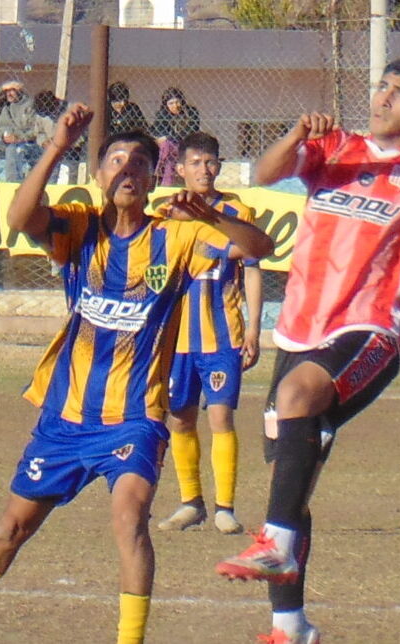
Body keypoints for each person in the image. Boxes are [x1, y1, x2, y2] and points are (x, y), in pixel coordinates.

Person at [0, 107, 273, 644]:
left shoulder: (176, 239)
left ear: (152, 178)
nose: (126, 167)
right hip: (65, 417)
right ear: (100, 176)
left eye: (139, 160)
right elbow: (19, 219)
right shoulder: (78, 225)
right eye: (115, 159)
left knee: (129, 521)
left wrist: (208, 213)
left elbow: (259, 250)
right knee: (11, 527)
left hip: (134, 419)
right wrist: (56, 146)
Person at [214, 58, 400, 644]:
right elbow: (263, 174)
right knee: (291, 475)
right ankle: (290, 625)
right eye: (382, 86)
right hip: (299, 332)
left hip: (369, 330)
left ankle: (276, 547)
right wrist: (294, 135)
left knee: (296, 398)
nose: (384, 98)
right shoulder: (336, 147)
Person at [157, 132, 263, 536]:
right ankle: (190, 503)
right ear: (179, 168)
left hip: (223, 336)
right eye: (196, 163)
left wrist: (253, 328)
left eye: (211, 162)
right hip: (178, 339)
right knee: (180, 420)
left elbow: (251, 267)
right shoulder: (165, 215)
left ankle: (225, 507)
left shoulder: (236, 211)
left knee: (221, 416)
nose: (205, 169)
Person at [150, 87, 200, 186]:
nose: (175, 106)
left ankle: (156, 170)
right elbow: (157, 132)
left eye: (177, 102)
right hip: (169, 151)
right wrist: (169, 137)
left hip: (185, 145)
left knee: (167, 145)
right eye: (171, 103)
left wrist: (169, 137)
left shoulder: (190, 113)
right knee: (169, 160)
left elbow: (190, 131)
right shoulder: (162, 114)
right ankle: (165, 186)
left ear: (182, 101)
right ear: (166, 105)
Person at [33, 90, 81, 184]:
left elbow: (82, 135)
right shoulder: (41, 114)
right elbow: (39, 133)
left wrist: (64, 143)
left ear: (55, 105)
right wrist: (44, 142)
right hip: (49, 147)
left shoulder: (71, 110)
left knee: (69, 171)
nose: (48, 116)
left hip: (71, 149)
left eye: (49, 113)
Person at [0, 80, 40, 181]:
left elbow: (36, 130)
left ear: (20, 91)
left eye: (12, 90)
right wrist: (4, 136)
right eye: (6, 91)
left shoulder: (31, 106)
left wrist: (19, 139)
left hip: (29, 144)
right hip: (7, 143)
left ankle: (12, 184)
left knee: (13, 149)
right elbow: (1, 128)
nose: (9, 94)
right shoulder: (6, 108)